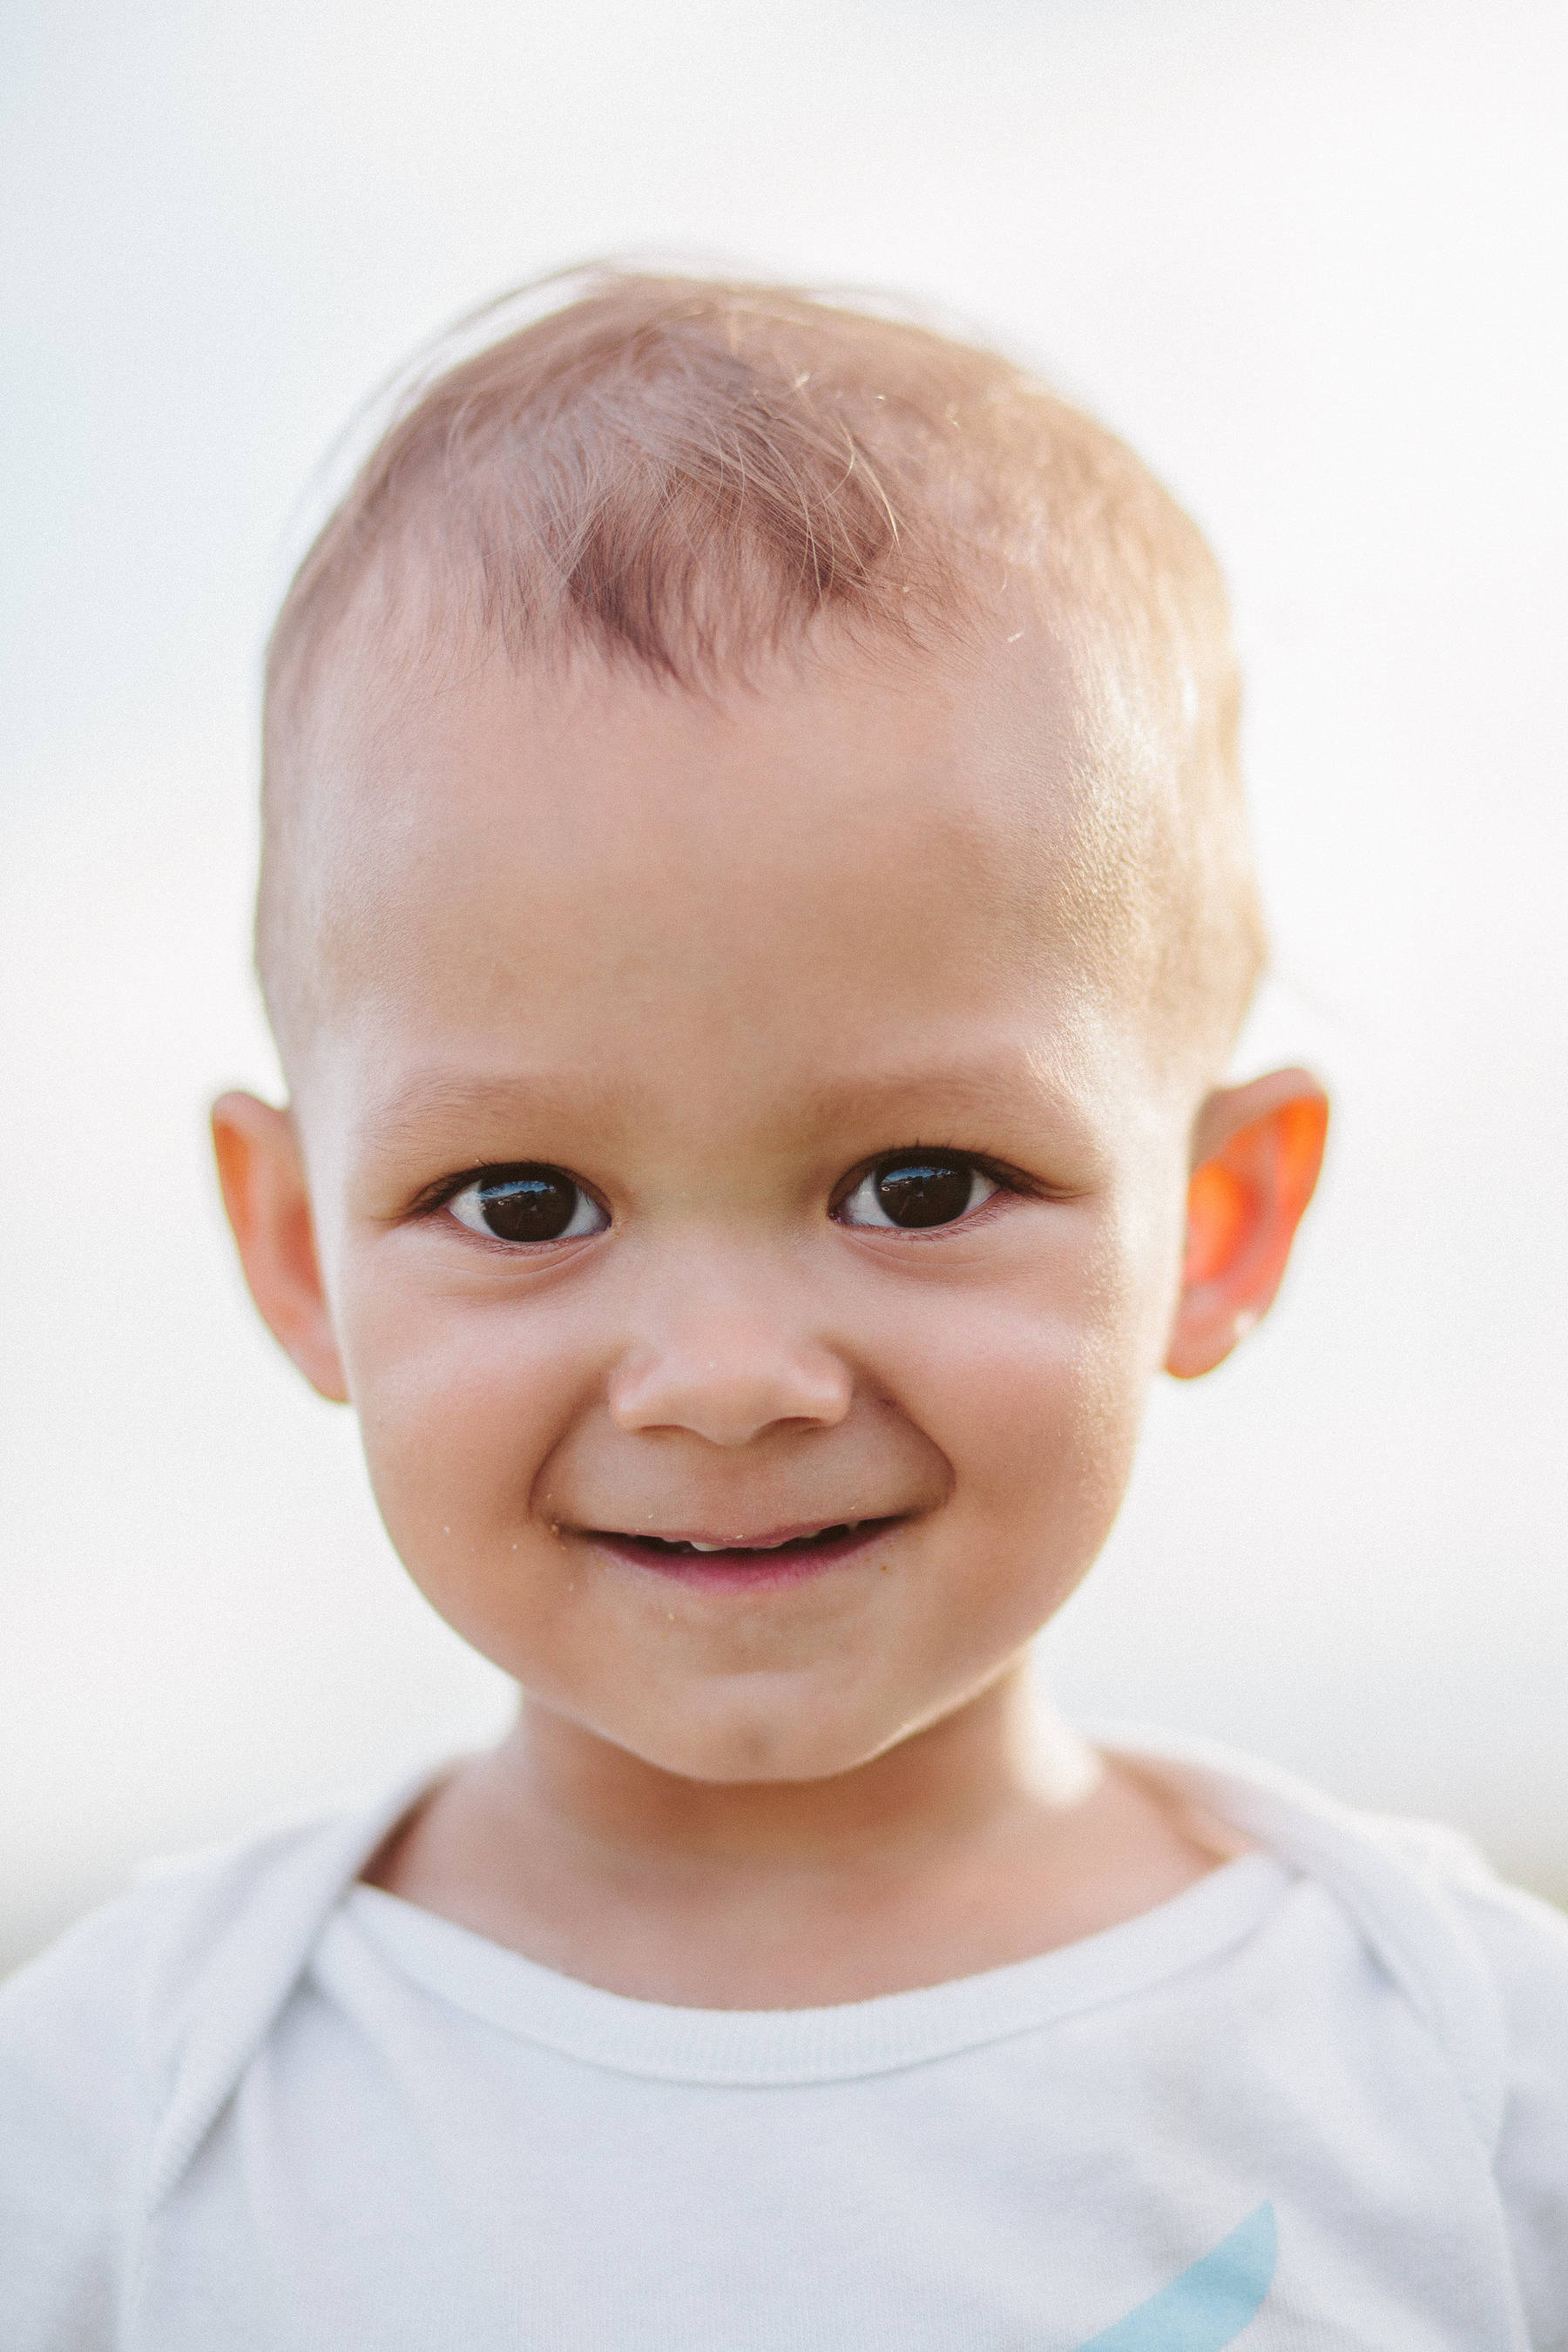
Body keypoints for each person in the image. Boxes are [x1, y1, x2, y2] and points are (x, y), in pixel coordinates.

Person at [2, 269, 1563, 2351]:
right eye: (525, 1199)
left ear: (1217, 1214)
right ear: (296, 1247)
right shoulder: (120, 2120)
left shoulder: (1465, 2091)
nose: (729, 1380)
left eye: (919, 1186)